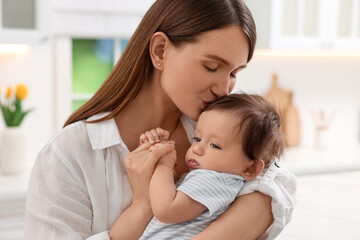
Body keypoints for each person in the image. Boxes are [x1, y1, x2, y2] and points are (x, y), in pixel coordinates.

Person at [24, 0, 296, 239]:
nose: (224, 88)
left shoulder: (219, 131)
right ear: (160, 51)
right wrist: (142, 205)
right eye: (211, 67)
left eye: (234, 73)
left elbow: (276, 187)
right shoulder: (68, 155)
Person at [137, 93, 284, 240]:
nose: (197, 149)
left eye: (215, 145)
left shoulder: (214, 180)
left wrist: (163, 164)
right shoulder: (215, 181)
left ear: (250, 169)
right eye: (197, 138)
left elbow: (166, 210)